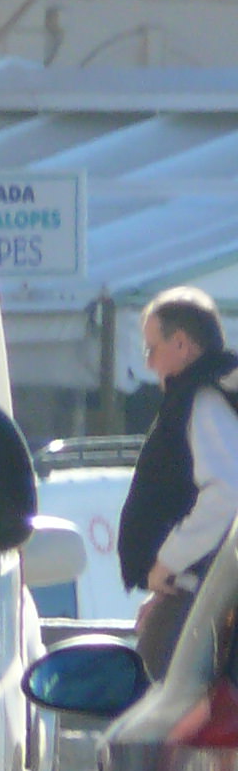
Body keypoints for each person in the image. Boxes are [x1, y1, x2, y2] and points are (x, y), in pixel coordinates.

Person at [122, 287, 238, 678]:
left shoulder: (203, 400)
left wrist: (168, 565)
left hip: (206, 597)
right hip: (206, 591)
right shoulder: (215, 394)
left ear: (182, 344)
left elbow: (227, 494)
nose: (149, 363)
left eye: (151, 349)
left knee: (152, 700)